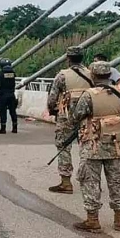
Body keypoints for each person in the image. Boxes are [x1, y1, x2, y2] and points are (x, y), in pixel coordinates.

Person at [69, 61, 120, 233]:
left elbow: (76, 117)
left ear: (92, 75)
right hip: (115, 145)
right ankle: (119, 220)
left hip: (92, 146)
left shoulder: (88, 95)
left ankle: (93, 220)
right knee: (116, 182)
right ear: (109, 75)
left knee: (90, 182)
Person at [46, 46, 93, 194]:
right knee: (88, 146)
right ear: (82, 58)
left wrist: (52, 109)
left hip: (66, 117)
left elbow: (52, 98)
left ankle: (66, 182)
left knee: (64, 146)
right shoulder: (92, 74)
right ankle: (88, 179)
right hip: (87, 116)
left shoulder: (62, 75)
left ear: (68, 58)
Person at [0, 58, 18, 134]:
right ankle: (15, 128)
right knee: (12, 111)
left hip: (2, 95)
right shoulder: (13, 73)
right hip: (11, 95)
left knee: (3, 112)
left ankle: (3, 129)